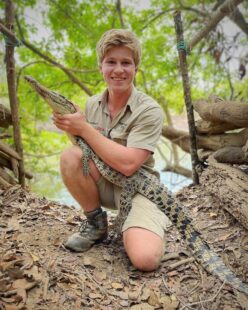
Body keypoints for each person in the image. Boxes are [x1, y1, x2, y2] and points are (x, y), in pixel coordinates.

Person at [53, 29, 171, 271]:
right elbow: (83, 150)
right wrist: (70, 126)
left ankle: (149, 220)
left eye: (126, 62)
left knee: (145, 260)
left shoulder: (149, 110)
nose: (119, 70)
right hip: (106, 182)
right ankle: (97, 224)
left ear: (135, 68)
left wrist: (84, 128)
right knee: (70, 155)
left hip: (140, 189)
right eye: (111, 62)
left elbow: (129, 164)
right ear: (101, 68)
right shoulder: (91, 104)